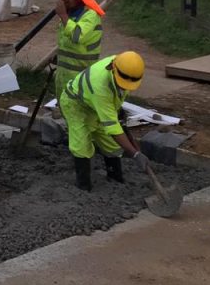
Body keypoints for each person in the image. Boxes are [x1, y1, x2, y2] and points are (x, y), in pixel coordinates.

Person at [59, 51, 149, 191]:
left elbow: (116, 96)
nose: (126, 87)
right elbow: (113, 127)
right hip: (76, 104)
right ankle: (84, 187)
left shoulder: (123, 66)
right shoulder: (100, 85)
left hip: (96, 106)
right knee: (81, 144)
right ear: (113, 69)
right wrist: (134, 153)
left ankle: (115, 179)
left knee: (112, 145)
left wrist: (118, 109)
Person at [53, 0, 104, 100]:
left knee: (77, 114)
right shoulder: (70, 14)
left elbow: (77, 36)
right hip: (63, 77)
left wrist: (63, 16)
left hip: (81, 78)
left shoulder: (90, 15)